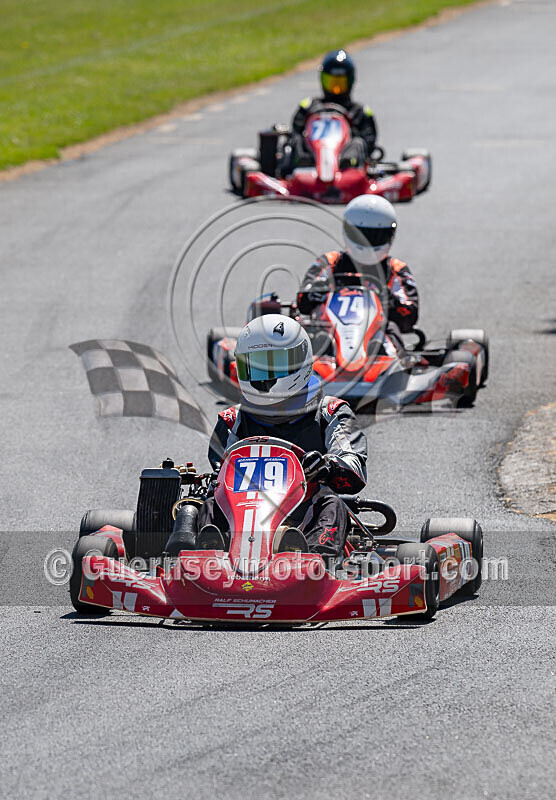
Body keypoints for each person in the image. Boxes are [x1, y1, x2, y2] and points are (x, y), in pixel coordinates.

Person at [167, 315, 367, 560]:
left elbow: (354, 467)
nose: (264, 375)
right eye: (256, 366)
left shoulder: (331, 412)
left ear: (300, 361)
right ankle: (209, 558)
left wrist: (328, 467)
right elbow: (221, 475)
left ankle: (315, 563)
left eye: (275, 365)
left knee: (331, 503)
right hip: (241, 513)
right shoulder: (232, 420)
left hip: (303, 509)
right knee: (209, 503)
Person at [296, 194, 419, 355]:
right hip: (328, 329)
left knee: (391, 331)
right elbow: (303, 301)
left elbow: (409, 315)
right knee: (312, 333)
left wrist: (388, 300)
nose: (367, 242)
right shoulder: (329, 262)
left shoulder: (395, 269)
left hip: (376, 331)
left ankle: (397, 368)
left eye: (375, 236)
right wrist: (317, 292)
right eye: (361, 235)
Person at [290, 49, 377, 169]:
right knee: (297, 141)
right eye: (331, 82)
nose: (336, 89)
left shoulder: (359, 112)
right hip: (311, 158)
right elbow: (294, 133)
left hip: (345, 161)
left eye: (340, 83)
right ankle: (302, 166)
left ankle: (347, 164)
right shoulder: (308, 106)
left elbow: (368, 144)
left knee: (357, 143)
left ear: (350, 81)